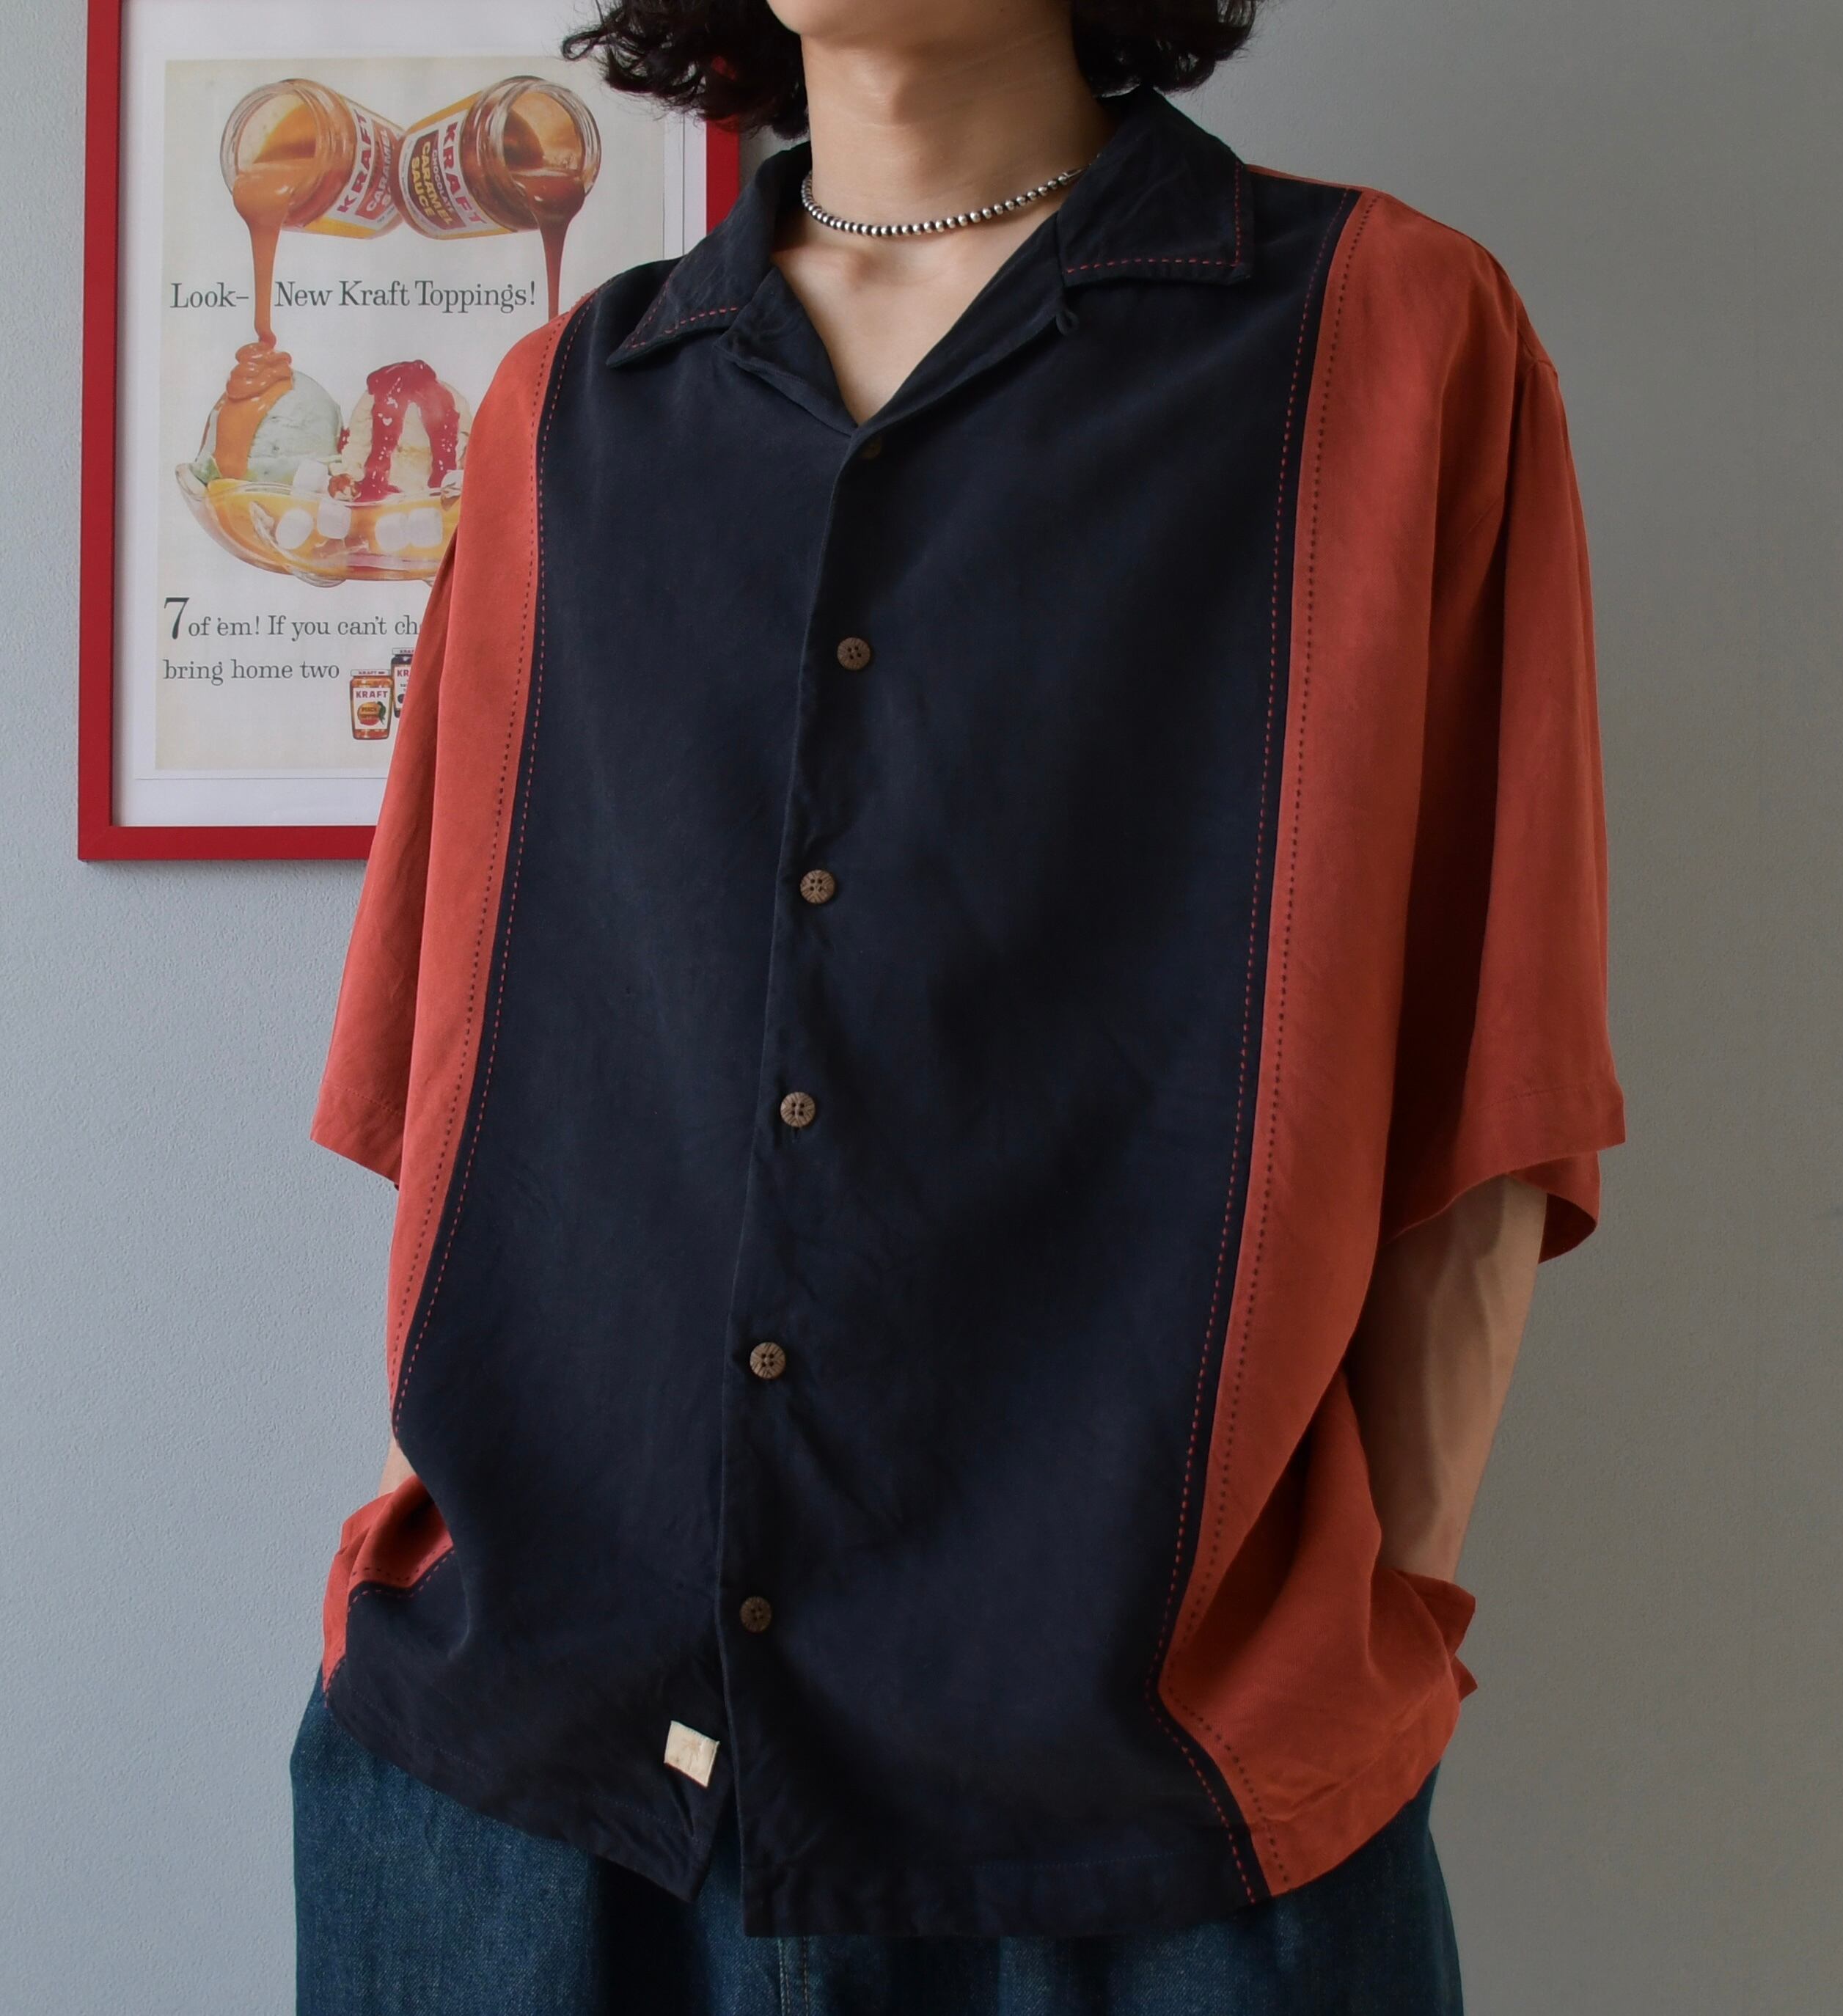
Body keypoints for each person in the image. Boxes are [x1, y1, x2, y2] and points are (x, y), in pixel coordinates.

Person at [293, 1, 1627, 2009]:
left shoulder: (1387, 337)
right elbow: (458, 1064)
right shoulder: (571, 405)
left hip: (1151, 1809)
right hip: (531, 1790)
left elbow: (1493, 1063)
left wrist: (1364, 1616)